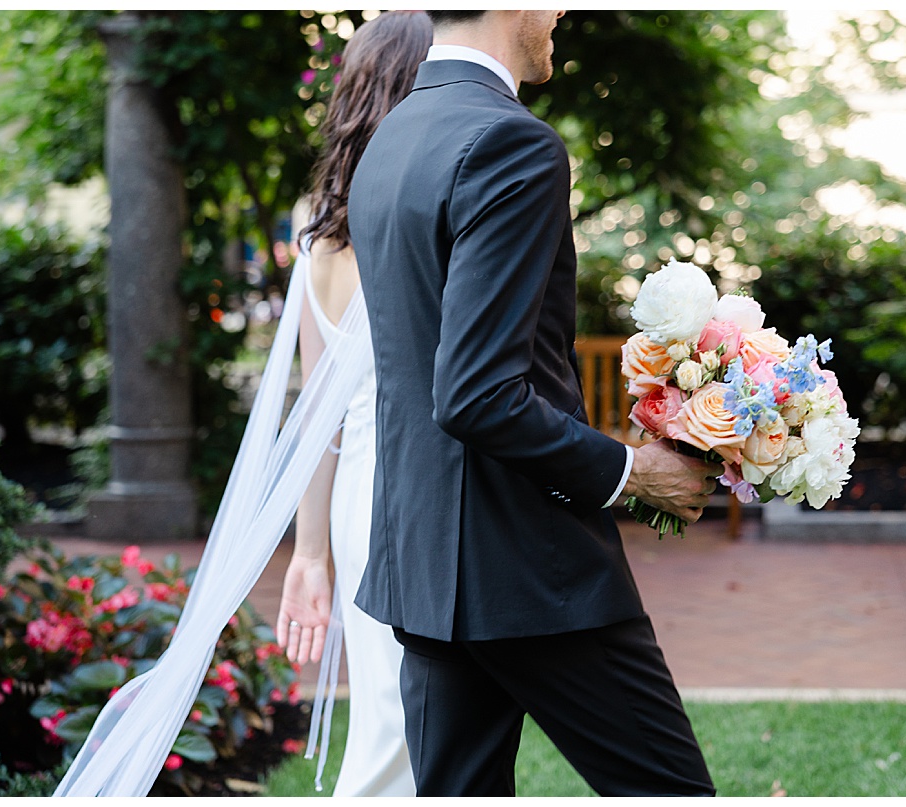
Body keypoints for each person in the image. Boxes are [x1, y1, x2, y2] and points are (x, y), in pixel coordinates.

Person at [347, 10, 720, 797]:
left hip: (423, 558)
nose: (561, 13)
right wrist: (632, 473)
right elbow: (478, 392)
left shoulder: (392, 137)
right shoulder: (511, 142)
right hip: (528, 564)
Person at [274, 10, 431, 797]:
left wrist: (311, 551)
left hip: (357, 496)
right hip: (410, 488)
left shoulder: (320, 227)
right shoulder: (412, 216)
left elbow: (317, 411)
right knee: (396, 726)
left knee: (398, 714)